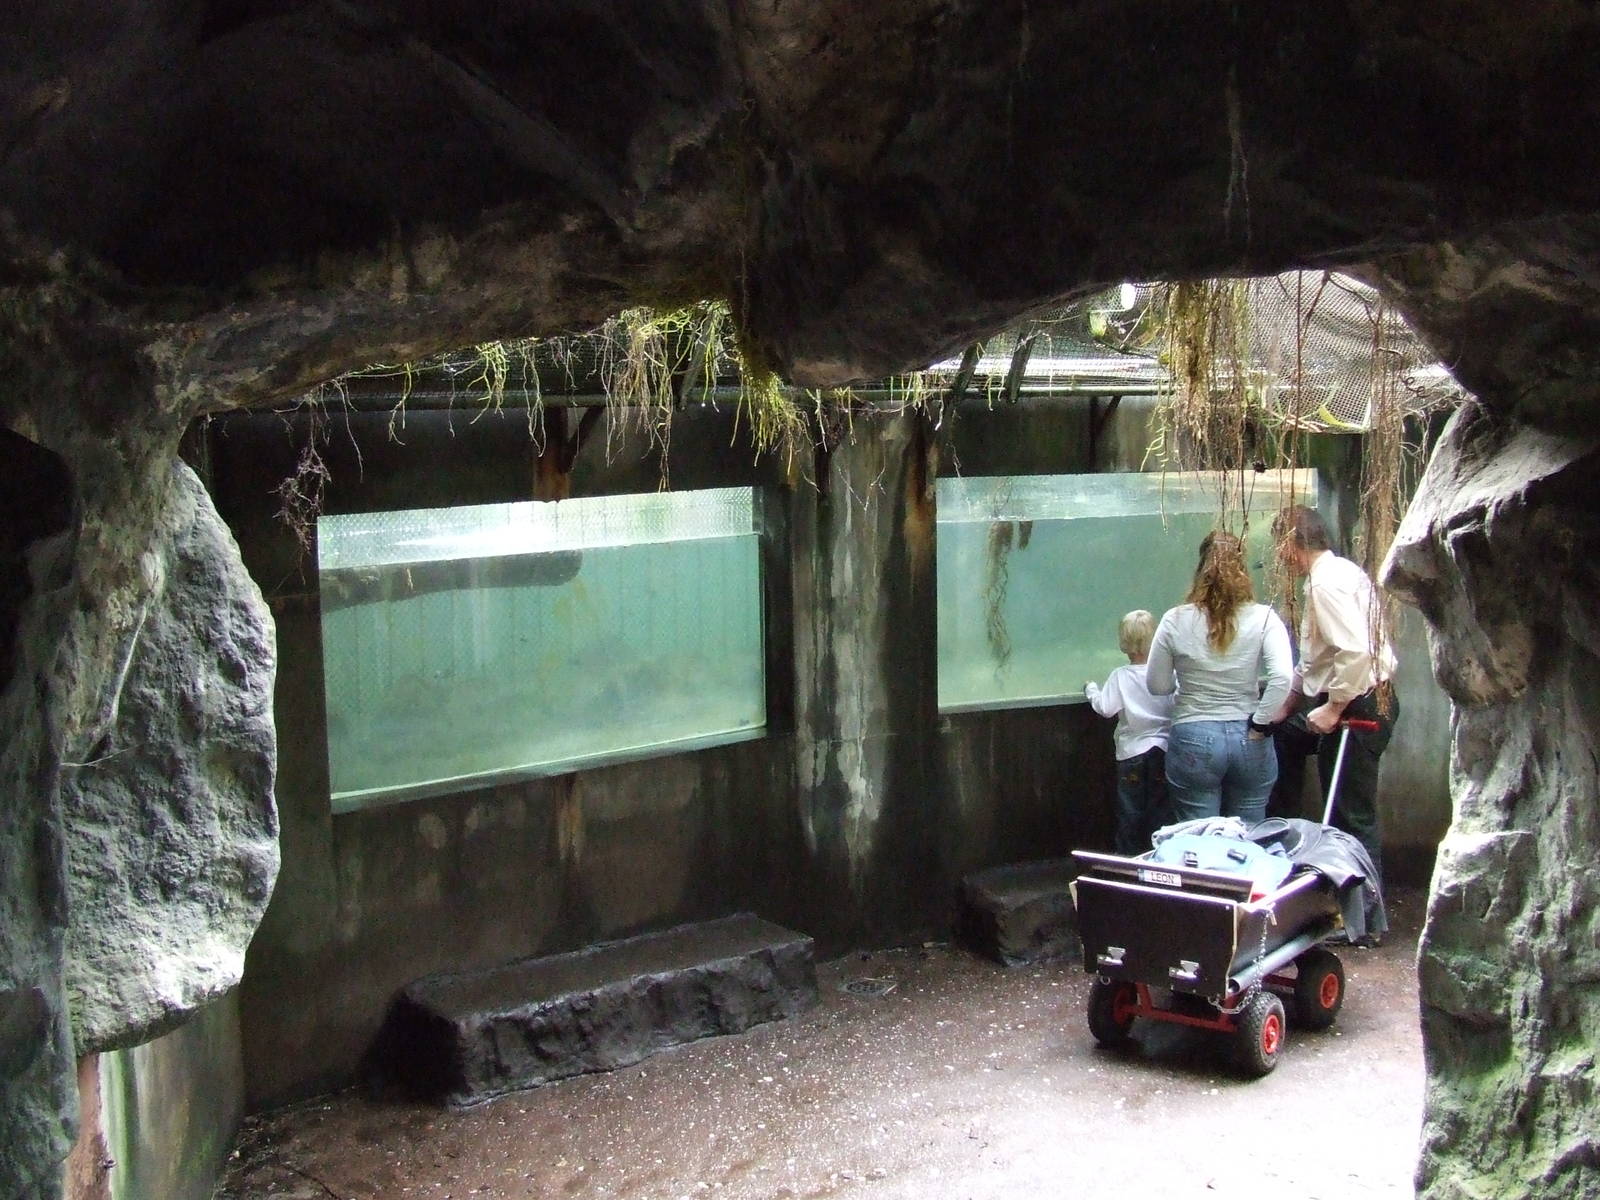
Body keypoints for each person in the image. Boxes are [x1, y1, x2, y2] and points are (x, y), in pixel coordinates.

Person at [1270, 504, 1398, 890]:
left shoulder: (1326, 584)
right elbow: (1318, 655)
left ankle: (1365, 914)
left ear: (1292, 543)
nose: (1278, 557)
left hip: (1359, 703)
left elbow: (1356, 652)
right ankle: (1295, 849)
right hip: (1365, 696)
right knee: (1289, 739)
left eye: (1279, 546)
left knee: (1351, 813)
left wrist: (1334, 706)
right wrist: (1290, 701)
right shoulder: (1340, 571)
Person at [1146, 531, 1293, 826]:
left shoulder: (1174, 619)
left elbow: (1157, 685)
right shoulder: (1264, 618)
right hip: (1249, 737)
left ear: (1200, 568)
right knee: (1251, 833)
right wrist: (1260, 722)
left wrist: (1182, 680)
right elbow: (1282, 677)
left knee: (1199, 836)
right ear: (1242, 568)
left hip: (1193, 734)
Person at [1085, 609, 1175, 855]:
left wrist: (1091, 690)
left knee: (1130, 810)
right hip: (1164, 751)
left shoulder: (1120, 676)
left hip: (1132, 755)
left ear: (1124, 643)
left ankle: (1128, 861)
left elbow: (1105, 708)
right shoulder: (1169, 674)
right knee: (1161, 810)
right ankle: (1161, 858)